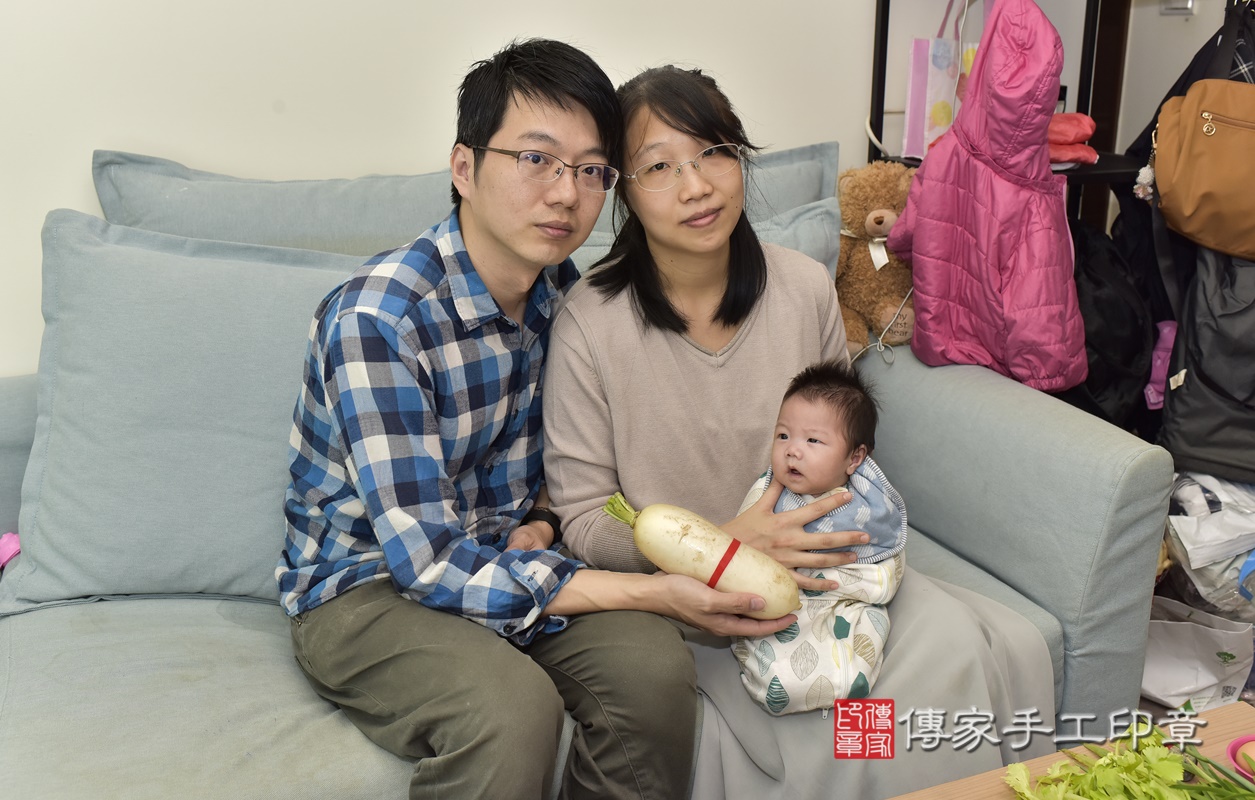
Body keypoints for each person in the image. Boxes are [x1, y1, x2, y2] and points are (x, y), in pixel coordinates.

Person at [276, 41, 795, 800]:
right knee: (511, 712)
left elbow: (565, 464)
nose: (565, 193)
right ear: (464, 168)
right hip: (369, 589)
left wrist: (547, 522)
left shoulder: (561, 294)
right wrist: (649, 591)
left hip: (509, 560)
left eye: (590, 170)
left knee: (653, 670)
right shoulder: (380, 321)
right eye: (536, 160)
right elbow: (426, 563)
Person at [543, 64, 1056, 799]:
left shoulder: (803, 286)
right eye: (659, 166)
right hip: (699, 602)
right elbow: (587, 519)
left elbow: (841, 442)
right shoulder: (588, 323)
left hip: (829, 579)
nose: (696, 186)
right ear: (624, 189)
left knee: (957, 651)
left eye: (714, 152)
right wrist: (725, 547)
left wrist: (841, 545)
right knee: (821, 720)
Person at [732, 359, 907, 716]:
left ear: (854, 458)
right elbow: (743, 552)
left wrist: (854, 584)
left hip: (847, 603)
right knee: (781, 674)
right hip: (788, 602)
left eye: (813, 440)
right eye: (783, 435)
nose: (792, 450)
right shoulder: (769, 494)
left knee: (862, 647)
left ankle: (846, 682)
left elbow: (885, 564)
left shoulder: (865, 504)